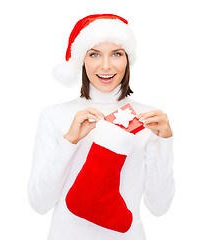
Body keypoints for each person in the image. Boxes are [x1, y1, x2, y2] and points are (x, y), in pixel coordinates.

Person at [27, 14, 175, 240]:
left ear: (128, 59)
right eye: (94, 54)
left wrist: (164, 142)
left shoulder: (148, 119)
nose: (106, 66)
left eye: (116, 54)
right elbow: (39, 203)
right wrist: (70, 141)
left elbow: (158, 206)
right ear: (81, 60)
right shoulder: (55, 116)